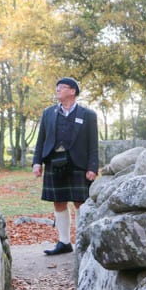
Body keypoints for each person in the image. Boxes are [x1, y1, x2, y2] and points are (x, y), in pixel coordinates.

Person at [32, 77, 99, 255]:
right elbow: (41, 140)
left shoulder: (88, 115)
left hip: (78, 163)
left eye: (61, 87)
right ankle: (64, 242)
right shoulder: (48, 113)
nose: (57, 90)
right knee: (58, 201)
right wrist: (37, 162)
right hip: (54, 162)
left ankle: (82, 242)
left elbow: (93, 144)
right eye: (57, 88)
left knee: (80, 202)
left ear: (73, 91)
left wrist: (93, 167)